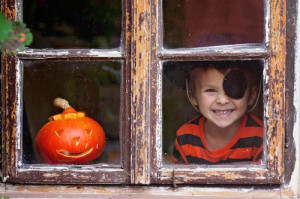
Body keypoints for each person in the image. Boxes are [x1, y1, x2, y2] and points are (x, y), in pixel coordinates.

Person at [172, 61, 263, 164]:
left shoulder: (261, 137)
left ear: (251, 96)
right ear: (193, 97)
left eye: (234, 88)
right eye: (211, 90)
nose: (222, 100)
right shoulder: (185, 138)